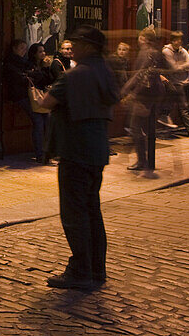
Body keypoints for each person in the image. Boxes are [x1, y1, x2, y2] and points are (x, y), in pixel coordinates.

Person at [39, 26, 119, 291]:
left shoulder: (74, 75)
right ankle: (97, 269)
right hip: (97, 150)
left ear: (89, 47)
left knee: (74, 215)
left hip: (75, 150)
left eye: (76, 44)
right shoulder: (105, 71)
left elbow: (45, 103)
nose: (72, 48)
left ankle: (80, 270)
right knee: (92, 211)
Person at [123, 27, 167, 171]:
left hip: (145, 95)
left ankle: (143, 161)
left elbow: (141, 75)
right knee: (146, 128)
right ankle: (146, 161)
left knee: (135, 126)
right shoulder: (156, 52)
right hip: (155, 93)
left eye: (140, 37)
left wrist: (129, 91)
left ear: (144, 39)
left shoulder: (146, 53)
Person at [26, 43, 55, 163]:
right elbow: (38, 79)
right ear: (34, 54)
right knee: (38, 124)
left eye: (44, 51)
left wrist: (47, 68)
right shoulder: (30, 65)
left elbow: (49, 79)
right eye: (40, 52)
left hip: (43, 97)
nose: (43, 54)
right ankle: (39, 154)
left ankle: (47, 153)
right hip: (33, 97)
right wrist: (43, 69)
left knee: (48, 123)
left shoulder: (44, 65)